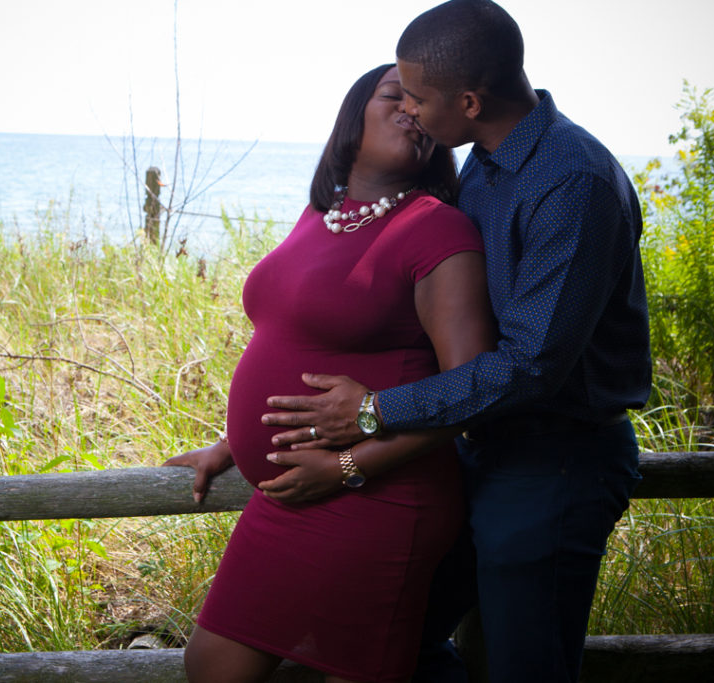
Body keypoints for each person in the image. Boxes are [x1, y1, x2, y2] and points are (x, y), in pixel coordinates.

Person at [258, 2, 652, 682]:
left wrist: (374, 410)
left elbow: (530, 366)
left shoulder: (571, 183)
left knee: (525, 668)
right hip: (476, 453)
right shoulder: (486, 162)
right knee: (390, 640)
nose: (406, 107)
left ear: (469, 102)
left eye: (415, 94)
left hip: (554, 462)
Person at [162, 63, 496, 683]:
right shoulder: (325, 214)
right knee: (212, 664)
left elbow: (472, 391)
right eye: (394, 95)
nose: (410, 111)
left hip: (379, 494)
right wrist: (235, 443)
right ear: (352, 118)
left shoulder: (437, 228)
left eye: (422, 104)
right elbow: (300, 338)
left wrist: (345, 467)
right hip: (291, 492)